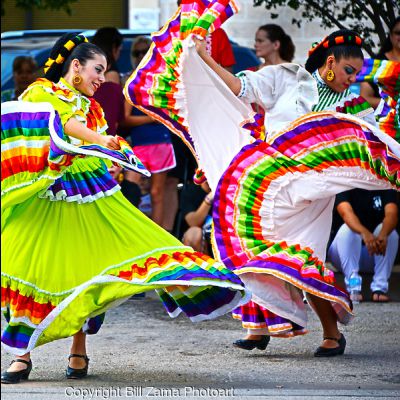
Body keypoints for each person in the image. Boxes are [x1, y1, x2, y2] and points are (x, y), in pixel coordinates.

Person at [125, 0, 399, 358]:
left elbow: (378, 142)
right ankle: (257, 327)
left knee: (302, 258)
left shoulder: (352, 109)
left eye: (356, 73)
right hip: (270, 184)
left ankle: (331, 333)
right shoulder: (285, 78)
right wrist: (205, 59)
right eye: (348, 69)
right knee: (254, 248)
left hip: (313, 196)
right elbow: (240, 89)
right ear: (330, 62)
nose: (351, 78)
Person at [0, 32, 251, 384]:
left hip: (90, 193)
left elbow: (96, 141)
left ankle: (78, 349)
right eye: (97, 69)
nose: (102, 78)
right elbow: (58, 124)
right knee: (26, 267)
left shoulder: (95, 107)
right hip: (43, 195)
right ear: (75, 66)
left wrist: (112, 160)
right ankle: (21, 356)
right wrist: (100, 139)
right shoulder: (42, 93)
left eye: (104, 70)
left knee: (89, 268)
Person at [122, 36, 176, 228]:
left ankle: (158, 242)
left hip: (161, 141)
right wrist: (151, 118)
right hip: (139, 144)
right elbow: (126, 118)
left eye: (145, 51)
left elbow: (170, 113)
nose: (141, 56)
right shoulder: (131, 81)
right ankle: (131, 232)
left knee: (156, 193)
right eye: (137, 53)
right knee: (131, 188)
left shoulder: (161, 81)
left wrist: (154, 118)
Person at [328, 189, 399, 302]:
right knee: (347, 230)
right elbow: (346, 213)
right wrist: (364, 233)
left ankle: (379, 289)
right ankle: (353, 287)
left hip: (373, 253)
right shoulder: (347, 182)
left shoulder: (383, 183)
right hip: (343, 255)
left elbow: (392, 214)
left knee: (390, 233)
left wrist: (383, 234)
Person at [360, 17, 400, 110]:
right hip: (385, 121)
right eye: (398, 33)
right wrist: (392, 104)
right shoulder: (375, 64)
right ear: (390, 36)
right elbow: (364, 98)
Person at [91, 27, 125, 136]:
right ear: (114, 47)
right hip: (103, 137)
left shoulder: (85, 68)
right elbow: (112, 117)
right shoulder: (111, 75)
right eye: (120, 49)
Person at [181, 180, 214, 255]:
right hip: (203, 244)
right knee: (193, 234)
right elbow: (193, 222)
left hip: (224, 240)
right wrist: (209, 199)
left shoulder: (232, 190)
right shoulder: (191, 191)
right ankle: (200, 265)